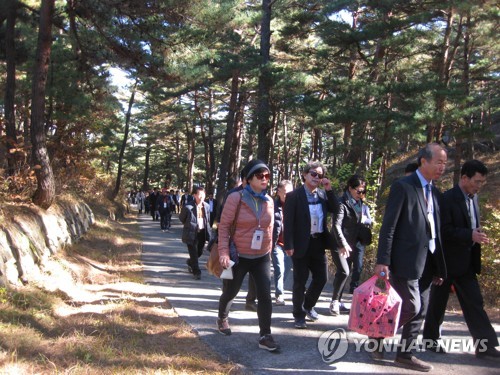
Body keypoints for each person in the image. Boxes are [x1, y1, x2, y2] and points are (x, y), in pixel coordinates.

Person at [374, 143, 447, 372]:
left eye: (445, 163)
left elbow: (434, 229)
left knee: (421, 308)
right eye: (439, 162)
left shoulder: (435, 193)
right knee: (412, 306)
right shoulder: (403, 187)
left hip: (428, 260)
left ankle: (405, 354)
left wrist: (439, 266)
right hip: (404, 259)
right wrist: (382, 260)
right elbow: (389, 227)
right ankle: (377, 332)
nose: (442, 167)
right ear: (423, 161)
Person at [423, 160, 499, 360]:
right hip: (446, 262)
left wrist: (476, 235)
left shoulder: (474, 197)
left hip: (467, 262)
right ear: (464, 178)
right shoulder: (447, 198)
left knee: (475, 302)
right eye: (477, 181)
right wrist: (469, 235)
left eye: (482, 182)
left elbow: (472, 224)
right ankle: (431, 341)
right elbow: (443, 231)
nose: (479, 185)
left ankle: (485, 345)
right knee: (437, 304)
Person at [216, 159, 279, 352]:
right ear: (249, 179)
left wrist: (269, 250)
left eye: (267, 176)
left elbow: (269, 228)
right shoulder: (236, 198)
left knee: (265, 295)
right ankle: (222, 318)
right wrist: (224, 252)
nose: (265, 179)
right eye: (260, 176)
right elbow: (224, 227)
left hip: (261, 256)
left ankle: (265, 335)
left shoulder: (269, 200)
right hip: (239, 255)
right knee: (231, 291)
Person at [283, 161, 339, 329]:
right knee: (300, 280)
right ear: (305, 174)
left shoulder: (322, 195)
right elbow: (289, 222)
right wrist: (288, 245)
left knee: (322, 277)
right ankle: (298, 316)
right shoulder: (294, 196)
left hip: (318, 242)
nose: (316, 177)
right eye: (313, 174)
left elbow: (335, 208)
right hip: (300, 243)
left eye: (320, 175)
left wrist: (329, 189)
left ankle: (307, 305)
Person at [329, 175, 367, 316]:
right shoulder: (341, 203)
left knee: (346, 271)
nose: (361, 194)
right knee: (344, 271)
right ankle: (334, 302)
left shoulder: (360, 203)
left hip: (352, 243)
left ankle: (338, 301)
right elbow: (336, 226)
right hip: (339, 243)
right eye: (359, 191)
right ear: (350, 188)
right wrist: (343, 244)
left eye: (364, 191)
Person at [179, 186, 212, 280]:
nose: (201, 196)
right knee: (193, 253)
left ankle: (190, 262)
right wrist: (190, 224)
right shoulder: (188, 207)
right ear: (194, 195)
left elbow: (208, 220)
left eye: (203, 194)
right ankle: (196, 271)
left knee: (199, 252)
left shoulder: (207, 206)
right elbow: (182, 219)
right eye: (199, 194)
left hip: (202, 232)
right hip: (191, 232)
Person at [271, 180, 293, 306]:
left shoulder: (296, 205)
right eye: (285, 192)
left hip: (290, 244)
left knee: (286, 270)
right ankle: (279, 295)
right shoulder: (273, 206)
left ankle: (280, 289)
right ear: (278, 192)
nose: (287, 195)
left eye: (290, 192)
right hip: (277, 243)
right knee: (280, 268)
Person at [350, 191, 373, 293]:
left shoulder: (365, 207)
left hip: (360, 240)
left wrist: (364, 219)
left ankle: (353, 287)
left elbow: (370, 220)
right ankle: (340, 288)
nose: (360, 195)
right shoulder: (348, 205)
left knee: (358, 265)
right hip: (349, 239)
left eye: (362, 193)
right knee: (345, 265)